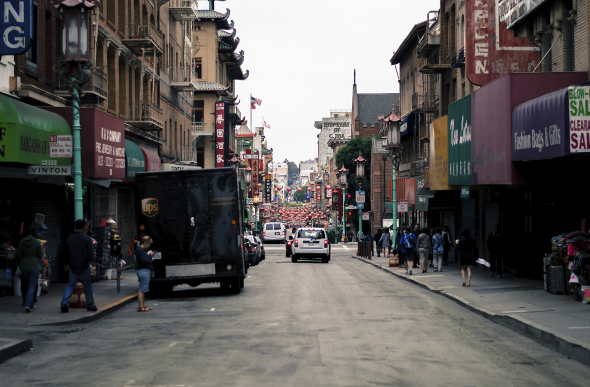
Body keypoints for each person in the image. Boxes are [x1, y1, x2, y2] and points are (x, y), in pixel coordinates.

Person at [61, 219, 98, 313]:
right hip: (84, 267)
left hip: (73, 267)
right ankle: (90, 305)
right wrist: (93, 266)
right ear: (84, 226)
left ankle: (64, 303)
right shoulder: (87, 239)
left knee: (70, 285)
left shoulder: (70, 238)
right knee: (88, 287)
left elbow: (66, 253)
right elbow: (91, 254)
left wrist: (66, 264)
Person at [16, 227, 45, 312]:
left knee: (25, 284)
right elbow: (40, 255)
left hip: (24, 266)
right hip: (35, 266)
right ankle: (28, 304)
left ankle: (26, 302)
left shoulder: (22, 242)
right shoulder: (37, 242)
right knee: (32, 286)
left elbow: (19, 255)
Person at [135, 236, 155, 311]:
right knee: (142, 289)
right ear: (145, 242)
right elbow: (145, 261)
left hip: (144, 271)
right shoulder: (140, 250)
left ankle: (143, 305)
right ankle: (141, 306)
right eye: (149, 244)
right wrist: (150, 255)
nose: (149, 246)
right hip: (144, 271)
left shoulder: (141, 250)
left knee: (143, 289)